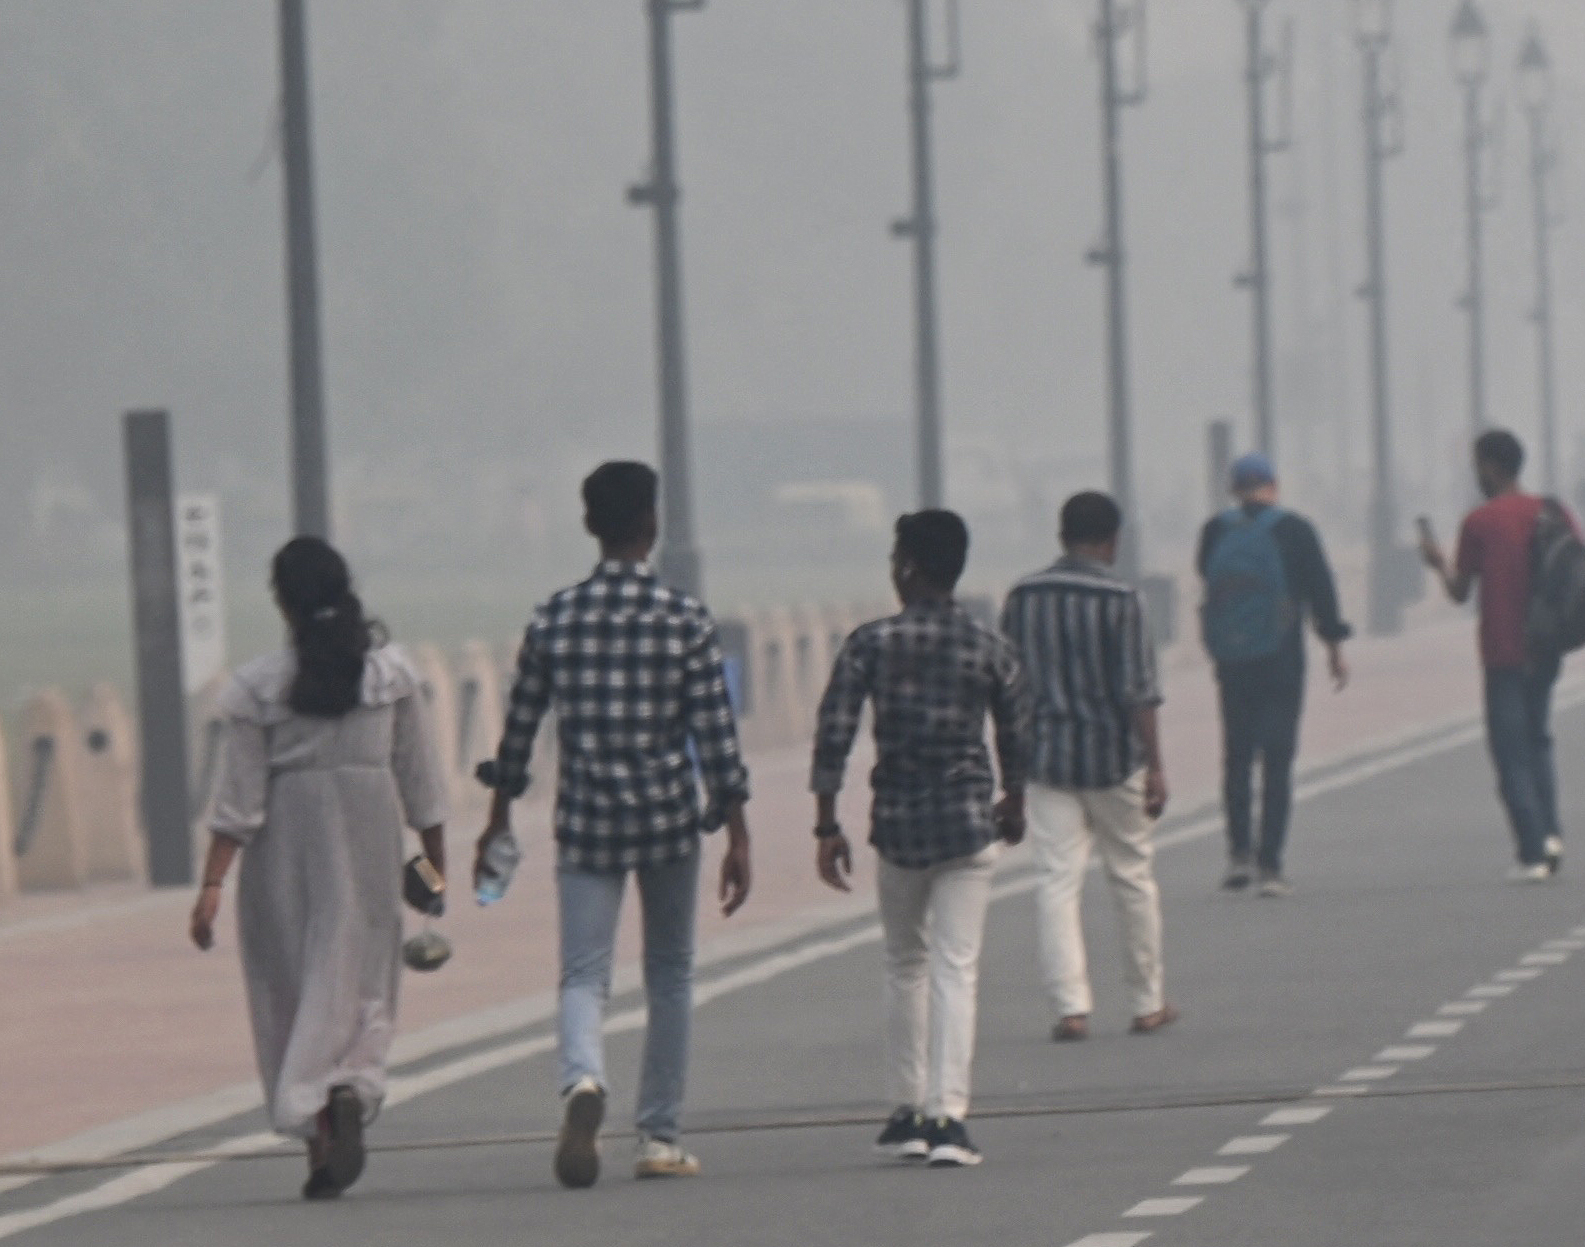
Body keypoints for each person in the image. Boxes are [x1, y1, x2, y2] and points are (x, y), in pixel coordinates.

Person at [478, 460, 753, 1187]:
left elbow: (518, 733)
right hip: (668, 819)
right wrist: (737, 831)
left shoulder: (555, 618)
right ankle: (659, 1136)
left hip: (587, 820)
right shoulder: (685, 618)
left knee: (583, 973)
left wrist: (497, 818)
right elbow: (716, 735)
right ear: (651, 525)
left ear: (589, 525)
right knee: (670, 972)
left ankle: (583, 1079)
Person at [187, 538, 454, 1200]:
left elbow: (238, 803)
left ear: (283, 604)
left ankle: (317, 1137)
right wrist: (435, 872)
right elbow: (423, 785)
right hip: (369, 842)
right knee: (363, 982)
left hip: (285, 851)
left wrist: (212, 884)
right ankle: (349, 1087)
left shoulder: (257, 687)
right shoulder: (390, 676)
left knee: (290, 987)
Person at [811, 508, 1030, 1168]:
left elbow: (834, 730)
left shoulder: (870, 643)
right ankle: (947, 1117)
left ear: (908, 567)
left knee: (905, 961)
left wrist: (827, 822)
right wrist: (1014, 798)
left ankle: (906, 1109)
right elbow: (1016, 731)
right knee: (956, 966)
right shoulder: (988, 646)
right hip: (967, 821)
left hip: (898, 825)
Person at [1002, 491, 1175, 1040]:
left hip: (1047, 759)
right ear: (1112, 541)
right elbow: (1139, 691)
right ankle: (1147, 1001)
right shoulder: (1123, 599)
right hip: (1114, 758)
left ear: (1062, 536)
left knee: (1056, 882)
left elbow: (1008, 687)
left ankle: (1070, 1007)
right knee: (1132, 877)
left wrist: (1011, 767)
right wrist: (1156, 766)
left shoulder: (1023, 597)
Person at [1418, 427, 1585, 880]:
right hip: (1545, 646)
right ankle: (1551, 835)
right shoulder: (1552, 512)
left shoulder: (1480, 522)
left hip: (1503, 650)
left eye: (1477, 466)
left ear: (1490, 467)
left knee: (1510, 751)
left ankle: (1532, 850)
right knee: (1538, 739)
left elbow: (1459, 592)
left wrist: (1438, 563)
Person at [1194, 452, 1348, 894]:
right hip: (1281, 657)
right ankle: (1270, 864)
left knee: (1237, 756)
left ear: (1233, 489)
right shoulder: (1294, 530)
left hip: (1233, 659)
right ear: (1274, 486)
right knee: (1277, 760)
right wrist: (1334, 647)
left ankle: (1238, 853)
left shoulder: (1215, 530)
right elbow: (1321, 591)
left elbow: (1207, 577)